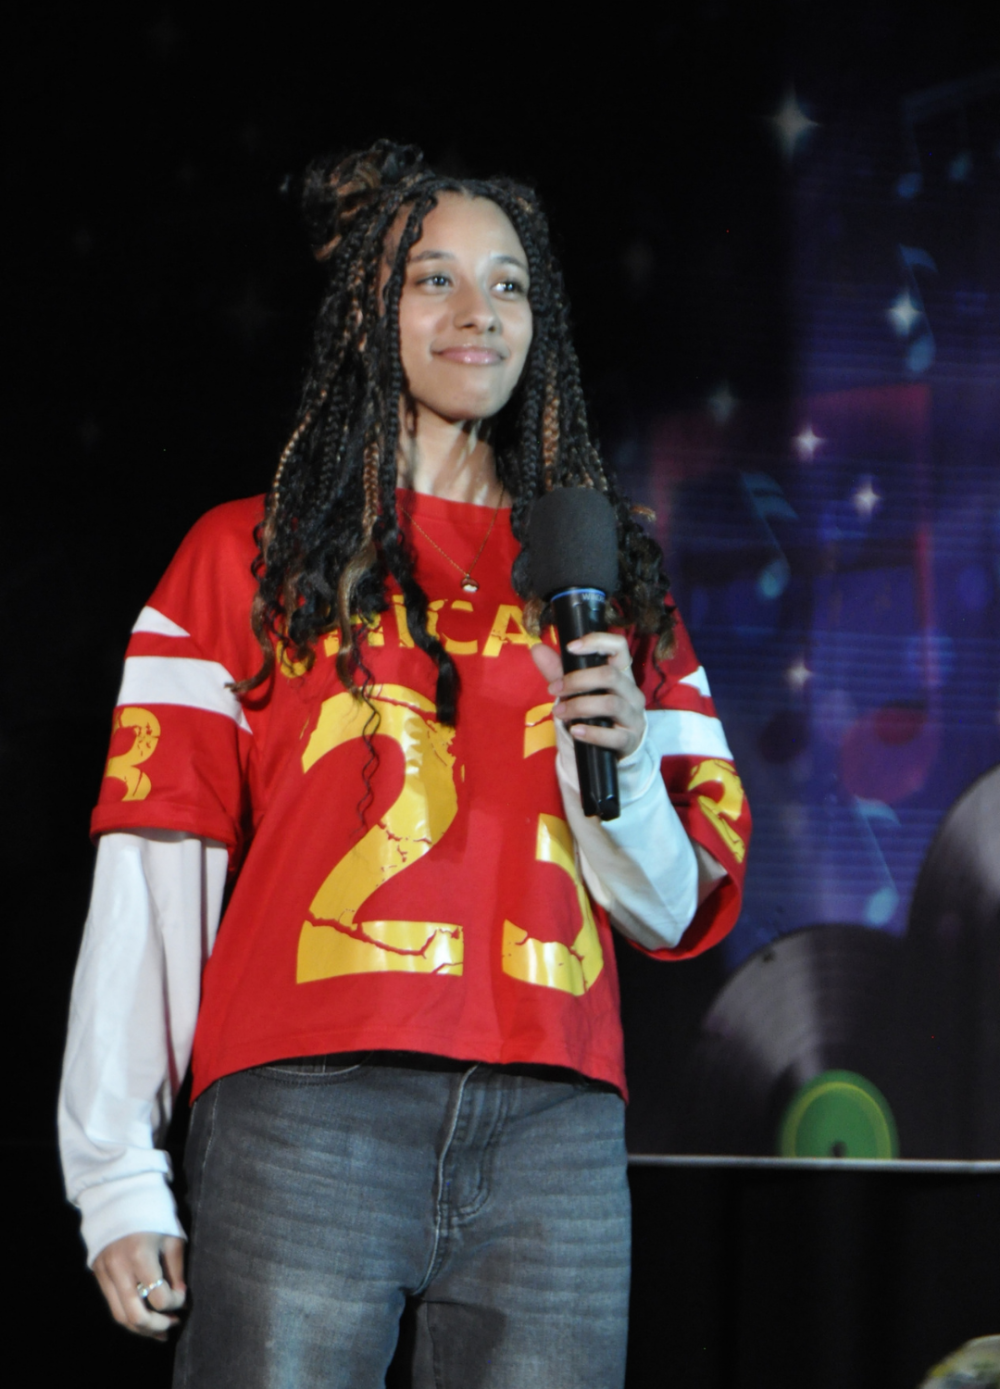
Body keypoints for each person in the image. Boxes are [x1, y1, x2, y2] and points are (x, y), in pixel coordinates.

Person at [59, 140, 751, 1388]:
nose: (475, 313)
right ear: (365, 318)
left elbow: (675, 906)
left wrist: (626, 761)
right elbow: (158, 864)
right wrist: (114, 1171)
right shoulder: (248, 558)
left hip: (557, 1132)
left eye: (507, 285)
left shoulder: (613, 579)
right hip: (307, 1111)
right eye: (432, 279)